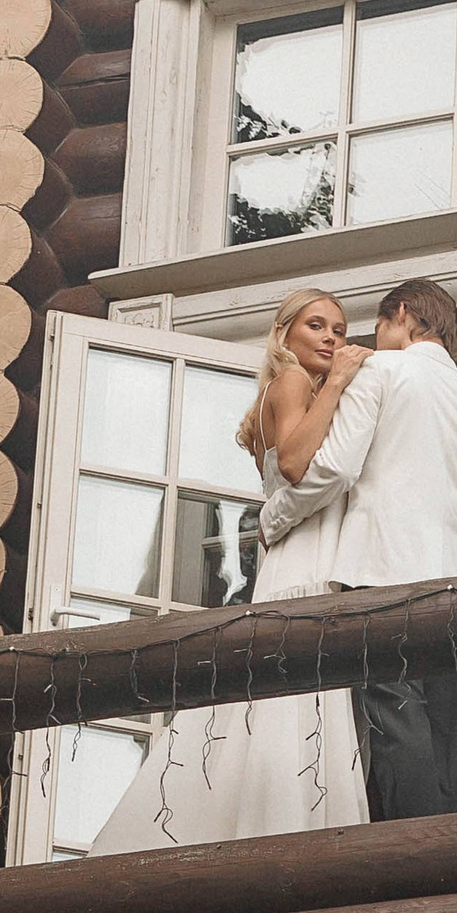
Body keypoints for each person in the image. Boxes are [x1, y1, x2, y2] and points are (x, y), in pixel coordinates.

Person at [89, 288, 372, 854]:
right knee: (295, 703)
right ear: (284, 335)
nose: (332, 339)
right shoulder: (293, 383)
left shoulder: (288, 394)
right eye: (316, 326)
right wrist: (340, 382)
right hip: (302, 566)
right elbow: (294, 464)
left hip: (290, 560)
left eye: (339, 330)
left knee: (281, 707)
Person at [260, 277, 457, 822]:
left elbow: (334, 468)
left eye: (374, 326)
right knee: (446, 736)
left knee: (394, 720)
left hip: (382, 573)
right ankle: (450, 856)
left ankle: (413, 857)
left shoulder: (382, 370)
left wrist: (272, 516)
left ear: (400, 314)